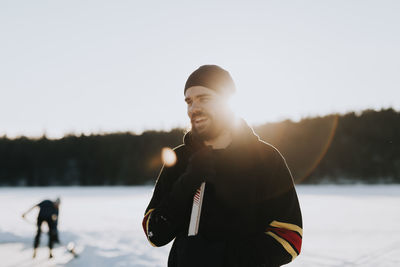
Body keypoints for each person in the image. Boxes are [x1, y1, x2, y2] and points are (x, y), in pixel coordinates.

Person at [142, 65, 303, 267]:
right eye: (189, 101)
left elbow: (289, 238)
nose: (193, 108)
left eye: (204, 98)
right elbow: (154, 233)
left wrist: (218, 257)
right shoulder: (180, 159)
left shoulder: (265, 159)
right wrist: (186, 184)